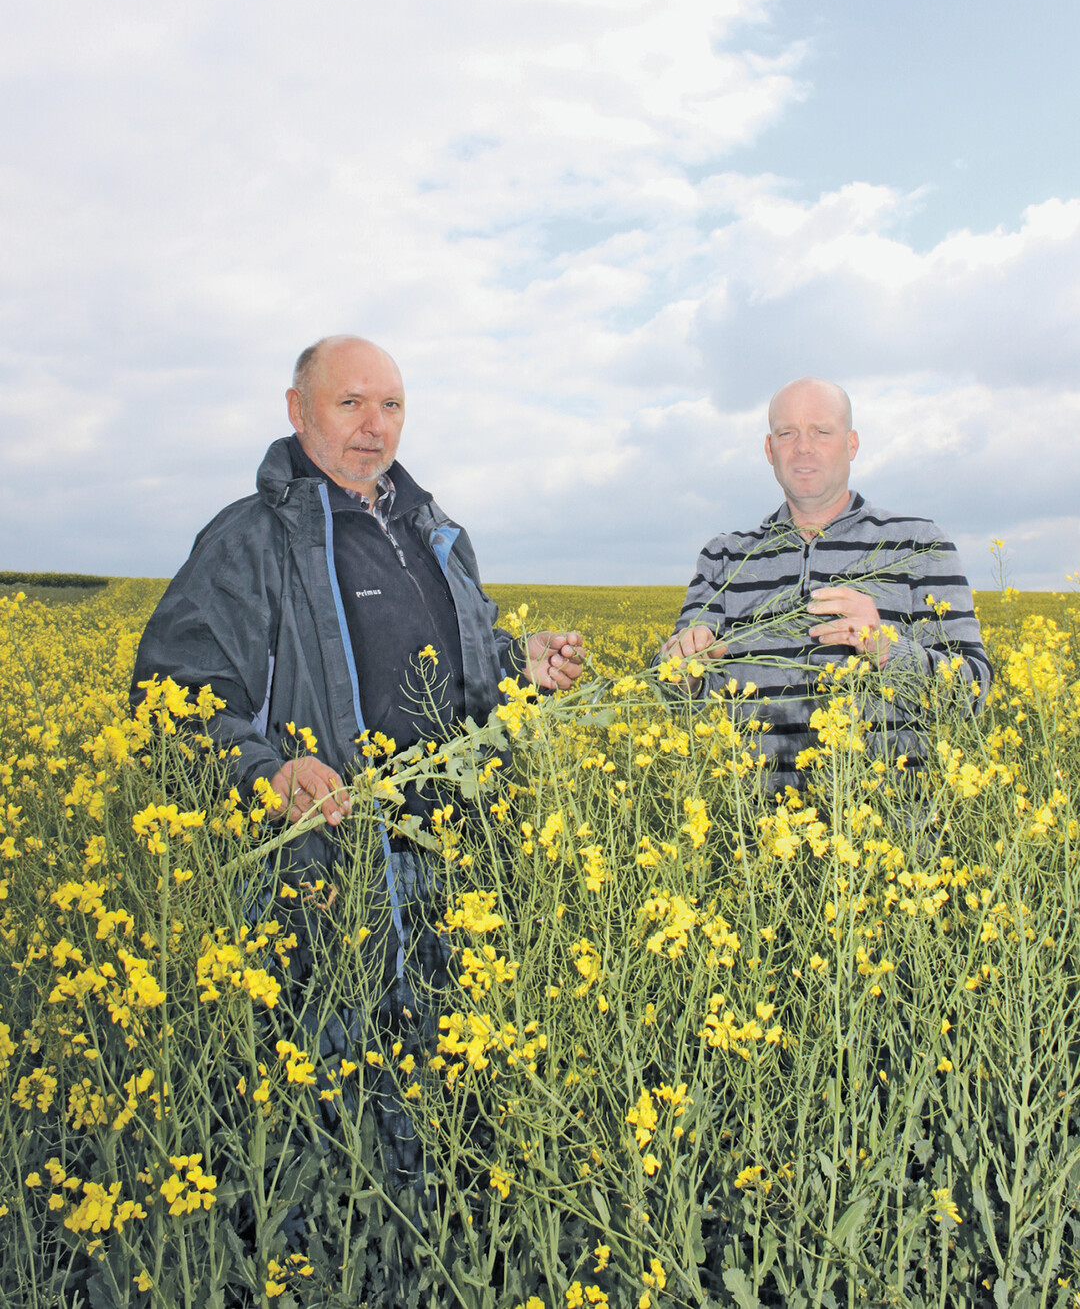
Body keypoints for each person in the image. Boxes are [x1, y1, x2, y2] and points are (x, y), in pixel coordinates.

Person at [132, 335, 584, 1182]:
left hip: (454, 858)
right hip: (332, 870)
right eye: (350, 404)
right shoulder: (251, 541)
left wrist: (518, 664)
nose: (375, 426)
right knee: (333, 1111)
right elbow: (173, 697)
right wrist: (264, 772)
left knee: (451, 1091)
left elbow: (458, 671)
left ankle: (441, 1222)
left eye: (392, 405)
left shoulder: (435, 532)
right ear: (298, 410)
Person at [660, 377, 991, 793]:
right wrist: (682, 670)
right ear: (770, 450)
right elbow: (673, 693)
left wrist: (887, 649)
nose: (803, 447)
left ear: (851, 444)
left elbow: (974, 694)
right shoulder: (724, 557)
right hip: (754, 828)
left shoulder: (919, 545)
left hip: (886, 823)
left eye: (821, 431)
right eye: (788, 433)